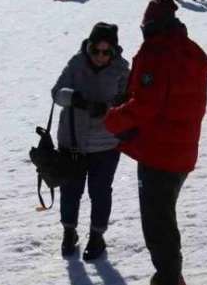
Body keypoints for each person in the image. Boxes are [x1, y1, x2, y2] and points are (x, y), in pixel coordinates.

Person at [105, 0, 207, 285]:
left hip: (159, 154)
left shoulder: (157, 52)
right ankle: (171, 277)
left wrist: (113, 118)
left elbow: (145, 105)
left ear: (150, 24)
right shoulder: (190, 50)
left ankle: (168, 279)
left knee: (158, 224)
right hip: (183, 151)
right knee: (164, 216)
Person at [51, 23, 129, 260]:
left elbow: (126, 103)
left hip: (105, 144)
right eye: (96, 51)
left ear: (114, 52)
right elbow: (56, 93)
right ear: (89, 47)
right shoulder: (76, 63)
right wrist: (73, 98)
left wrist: (105, 108)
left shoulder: (122, 70)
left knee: (100, 192)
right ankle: (69, 231)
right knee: (70, 190)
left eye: (107, 52)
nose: (101, 57)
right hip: (72, 140)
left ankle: (97, 236)